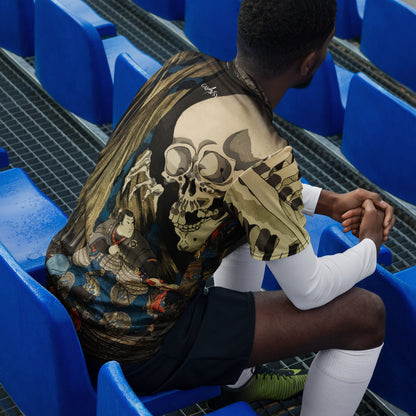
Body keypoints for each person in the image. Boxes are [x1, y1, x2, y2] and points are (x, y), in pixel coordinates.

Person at [45, 0, 395, 414]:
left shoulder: (182, 68)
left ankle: (238, 383)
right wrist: (369, 247)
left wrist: (327, 202)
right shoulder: (265, 153)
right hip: (132, 344)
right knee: (364, 315)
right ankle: (237, 379)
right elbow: (309, 290)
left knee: (242, 224)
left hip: (65, 291)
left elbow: (238, 184)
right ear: (308, 62)